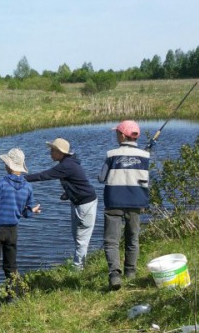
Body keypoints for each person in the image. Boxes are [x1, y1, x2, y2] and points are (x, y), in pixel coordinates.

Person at [0, 148, 40, 315]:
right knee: (11, 266)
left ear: (8, 165)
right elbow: (26, 212)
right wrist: (33, 211)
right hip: (12, 231)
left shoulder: (1, 183)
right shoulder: (27, 187)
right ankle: (12, 297)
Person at [25, 137, 97, 271]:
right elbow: (76, 182)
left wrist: (22, 178)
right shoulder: (68, 163)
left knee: (81, 238)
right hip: (79, 201)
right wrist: (68, 194)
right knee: (77, 236)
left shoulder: (66, 165)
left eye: (52, 150)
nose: (50, 153)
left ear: (60, 152)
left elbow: (44, 175)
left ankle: (77, 270)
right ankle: (81, 266)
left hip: (85, 204)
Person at [98, 120, 150, 291]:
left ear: (122, 135)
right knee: (132, 239)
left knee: (111, 241)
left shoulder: (111, 154)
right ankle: (130, 273)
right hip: (136, 203)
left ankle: (114, 274)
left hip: (114, 201)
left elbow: (101, 178)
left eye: (116, 133)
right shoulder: (145, 155)